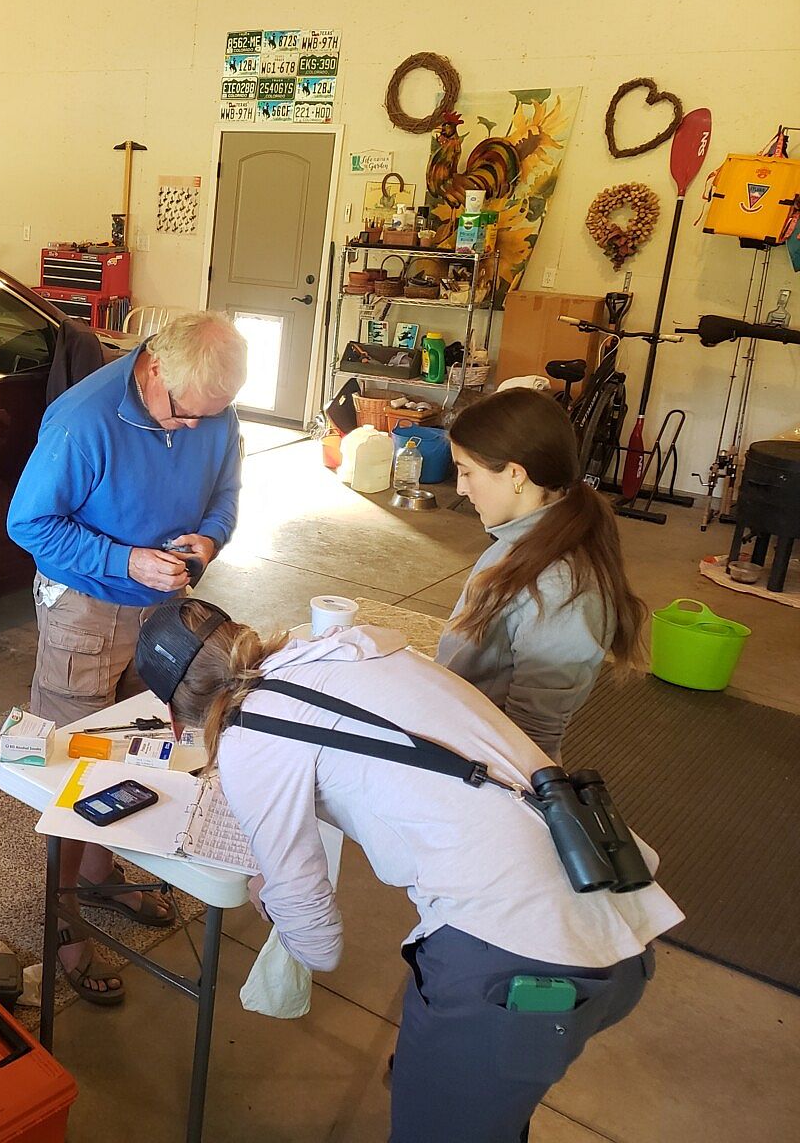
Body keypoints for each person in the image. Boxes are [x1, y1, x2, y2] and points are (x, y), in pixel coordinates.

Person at [142, 597, 682, 1143]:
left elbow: (318, 945)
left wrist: (268, 891)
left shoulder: (252, 736)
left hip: (523, 967)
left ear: (175, 715)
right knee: (490, 1114)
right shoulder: (359, 649)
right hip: (617, 913)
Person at [5, 311, 246, 1004]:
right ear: (154, 369)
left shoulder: (209, 407)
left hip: (165, 609)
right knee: (77, 766)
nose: (195, 430)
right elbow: (28, 523)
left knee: (148, 748)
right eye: (185, 417)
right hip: (85, 607)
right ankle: (64, 927)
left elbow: (227, 492)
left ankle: (100, 879)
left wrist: (210, 539)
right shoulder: (83, 420)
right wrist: (124, 560)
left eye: (212, 418)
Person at [438, 387, 649, 760]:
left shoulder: (561, 587)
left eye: (467, 472)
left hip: (483, 762)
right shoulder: (523, 540)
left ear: (516, 474)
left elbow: (533, 737)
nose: (461, 488)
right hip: (458, 730)